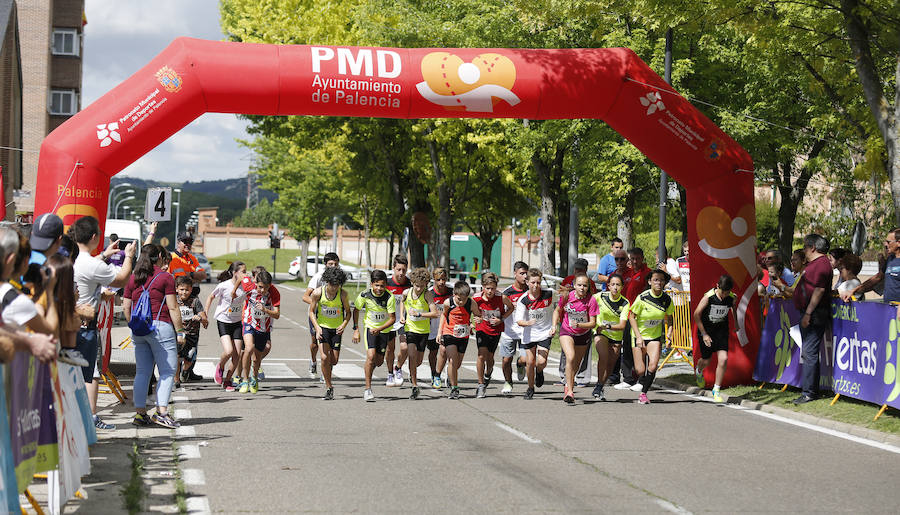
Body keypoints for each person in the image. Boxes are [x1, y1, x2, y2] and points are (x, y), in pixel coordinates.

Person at [71, 216, 136, 430]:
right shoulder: (91, 264)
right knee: (92, 374)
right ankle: (90, 417)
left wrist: (104, 255)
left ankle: (77, 418)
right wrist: (129, 256)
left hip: (67, 326)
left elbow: (89, 266)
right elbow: (121, 279)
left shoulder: (72, 259)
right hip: (86, 326)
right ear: (93, 237)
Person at [122, 244, 184, 428]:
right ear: (158, 257)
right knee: (167, 372)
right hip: (160, 327)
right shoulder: (165, 277)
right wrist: (180, 331)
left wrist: (133, 325)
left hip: (139, 330)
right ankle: (162, 412)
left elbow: (126, 307)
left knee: (142, 372)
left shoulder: (133, 278)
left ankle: (140, 415)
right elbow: (173, 307)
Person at [792, 234, 831, 404]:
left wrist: (808, 313)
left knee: (809, 352)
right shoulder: (814, 264)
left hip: (814, 314)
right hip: (809, 312)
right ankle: (809, 390)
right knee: (808, 352)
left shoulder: (821, 265)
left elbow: (819, 290)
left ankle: (809, 392)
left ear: (813, 247)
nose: (805, 251)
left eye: (805, 248)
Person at [628, 269, 675, 404]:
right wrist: (638, 336)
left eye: (661, 280)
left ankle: (643, 393)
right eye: (655, 280)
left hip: (654, 337)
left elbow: (670, 318)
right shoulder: (642, 297)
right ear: (649, 282)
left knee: (653, 366)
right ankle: (636, 372)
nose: (659, 283)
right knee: (640, 369)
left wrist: (669, 334)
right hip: (639, 335)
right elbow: (631, 317)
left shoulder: (666, 299)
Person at [352, 269, 396, 402]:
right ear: (372, 284)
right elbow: (356, 310)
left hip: (384, 331)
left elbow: (392, 319)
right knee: (370, 357)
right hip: (370, 329)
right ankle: (367, 389)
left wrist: (380, 328)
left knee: (378, 361)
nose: (379, 288)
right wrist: (356, 329)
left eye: (382, 286)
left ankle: (370, 371)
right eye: (377, 285)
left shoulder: (389, 297)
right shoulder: (364, 295)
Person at [168, 232, 207, 381]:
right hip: (177, 298)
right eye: (184, 241)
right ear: (178, 242)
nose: (187, 244)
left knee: (193, 336)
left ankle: (189, 371)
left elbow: (202, 275)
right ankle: (177, 375)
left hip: (192, 299)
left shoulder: (192, 258)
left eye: (189, 242)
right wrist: (192, 275)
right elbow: (173, 279)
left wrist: (187, 275)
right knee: (179, 337)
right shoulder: (173, 258)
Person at [553, 273, 597, 404]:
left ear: (588, 286)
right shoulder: (567, 296)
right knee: (570, 357)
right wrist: (554, 326)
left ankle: (568, 384)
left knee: (576, 366)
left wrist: (580, 325)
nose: (582, 288)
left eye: (585, 285)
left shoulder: (591, 300)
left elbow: (593, 323)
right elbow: (557, 310)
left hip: (583, 334)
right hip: (567, 331)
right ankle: (570, 392)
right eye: (579, 285)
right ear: (574, 285)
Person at [308, 266, 351, 401]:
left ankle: (327, 376)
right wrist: (317, 328)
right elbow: (311, 312)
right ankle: (328, 387)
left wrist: (343, 325)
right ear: (326, 282)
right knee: (325, 358)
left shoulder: (343, 294)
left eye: (337, 285)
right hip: (323, 328)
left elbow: (348, 313)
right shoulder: (317, 293)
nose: (334, 288)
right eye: (332, 284)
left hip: (336, 329)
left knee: (334, 360)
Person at [693, 275, 737, 403]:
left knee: (723, 359)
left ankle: (716, 389)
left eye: (727, 292)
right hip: (706, 331)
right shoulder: (708, 297)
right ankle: (699, 370)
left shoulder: (731, 297)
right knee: (706, 360)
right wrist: (704, 334)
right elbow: (696, 314)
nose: (724, 295)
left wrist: (736, 323)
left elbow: (733, 307)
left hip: (721, 331)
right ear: (717, 286)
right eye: (723, 292)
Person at [205, 261, 247, 392]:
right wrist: (205, 313)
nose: (246, 274)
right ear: (235, 273)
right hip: (223, 320)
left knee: (237, 354)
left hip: (237, 322)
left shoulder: (245, 287)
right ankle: (221, 366)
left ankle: (228, 380)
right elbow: (211, 297)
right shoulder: (224, 286)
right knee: (228, 351)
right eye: (243, 272)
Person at [237, 269, 280, 394]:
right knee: (248, 348)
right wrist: (234, 291)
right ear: (256, 282)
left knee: (256, 359)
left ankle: (254, 378)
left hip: (263, 328)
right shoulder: (249, 285)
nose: (262, 290)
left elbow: (277, 315)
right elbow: (241, 276)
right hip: (248, 323)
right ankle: (245, 380)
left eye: (266, 288)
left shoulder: (274, 292)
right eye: (260, 287)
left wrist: (265, 310)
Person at [397, 267, 437, 400]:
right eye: (416, 285)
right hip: (410, 329)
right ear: (412, 283)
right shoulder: (406, 292)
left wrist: (420, 314)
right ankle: (414, 386)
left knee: (418, 361)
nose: (419, 288)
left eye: (422, 286)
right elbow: (403, 302)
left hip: (423, 331)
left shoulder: (427, 295)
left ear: (426, 284)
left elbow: (435, 313)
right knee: (412, 356)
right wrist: (402, 315)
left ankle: (408, 372)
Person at [437, 281, 481, 399]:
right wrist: (439, 332)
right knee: (452, 360)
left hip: (463, 335)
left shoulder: (471, 303)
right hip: (449, 333)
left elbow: (478, 315)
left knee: (457, 364)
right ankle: (455, 388)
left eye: (464, 299)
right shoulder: (448, 302)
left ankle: (450, 374)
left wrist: (477, 320)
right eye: (458, 299)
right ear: (454, 294)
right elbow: (443, 315)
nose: (461, 302)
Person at [515, 268, 555, 400]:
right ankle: (530, 388)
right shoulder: (523, 300)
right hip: (529, 334)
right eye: (533, 282)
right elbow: (519, 321)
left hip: (545, 332)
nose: (536, 285)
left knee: (541, 362)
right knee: (530, 362)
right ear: (527, 282)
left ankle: (540, 371)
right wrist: (528, 323)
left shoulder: (549, 294)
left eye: (538, 282)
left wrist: (554, 325)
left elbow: (558, 306)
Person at [614, 248, 650, 391]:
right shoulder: (628, 274)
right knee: (627, 347)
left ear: (642, 258)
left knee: (641, 347)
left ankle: (643, 379)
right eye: (632, 258)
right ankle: (628, 378)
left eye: (637, 258)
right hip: (627, 315)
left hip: (641, 317)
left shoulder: (647, 273)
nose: (635, 261)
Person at [557, 258, 597, 386]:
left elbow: (592, 300)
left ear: (585, 270)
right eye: (576, 268)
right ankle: (565, 377)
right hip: (567, 323)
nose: (578, 271)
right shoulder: (568, 280)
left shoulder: (590, 284)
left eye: (581, 269)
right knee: (568, 354)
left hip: (584, 326)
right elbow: (561, 300)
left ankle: (580, 377)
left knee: (580, 356)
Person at [473, 272, 513, 398]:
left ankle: (488, 374)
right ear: (483, 287)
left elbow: (511, 308)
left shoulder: (501, 297)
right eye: (488, 288)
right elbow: (469, 309)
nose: (490, 291)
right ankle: (480, 385)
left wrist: (501, 319)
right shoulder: (476, 298)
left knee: (490, 358)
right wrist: (475, 318)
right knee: (481, 355)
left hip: (495, 330)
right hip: (481, 329)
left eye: (493, 288)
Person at [301, 252, 341, 379]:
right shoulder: (318, 277)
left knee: (328, 344)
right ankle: (313, 361)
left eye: (335, 264)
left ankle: (326, 373)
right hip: (317, 314)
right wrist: (319, 304)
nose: (333, 266)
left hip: (332, 316)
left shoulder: (338, 278)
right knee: (314, 342)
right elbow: (305, 296)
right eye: (330, 264)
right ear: (325, 264)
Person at [592, 274, 630, 401]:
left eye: (618, 285)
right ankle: (598, 385)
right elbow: (587, 304)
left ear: (622, 287)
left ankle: (601, 385)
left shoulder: (625, 303)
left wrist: (607, 326)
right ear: (608, 286)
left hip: (615, 336)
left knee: (610, 365)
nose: (615, 287)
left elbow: (622, 325)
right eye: (612, 284)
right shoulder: (600, 296)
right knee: (603, 356)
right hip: (600, 332)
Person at [841, 228, 899, 302]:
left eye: (888, 242)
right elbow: (877, 278)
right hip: (889, 308)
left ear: (898, 243)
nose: (885, 244)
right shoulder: (890, 259)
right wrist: (853, 291)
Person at [499, 261, 529, 395]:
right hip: (509, 331)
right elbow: (500, 311)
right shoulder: (507, 292)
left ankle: (520, 364)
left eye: (526, 273)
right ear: (515, 274)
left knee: (525, 358)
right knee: (506, 360)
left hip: (525, 332)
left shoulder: (531, 291)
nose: (525, 276)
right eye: (522, 273)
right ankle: (508, 382)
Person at [175, 275, 208, 388]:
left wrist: (200, 318)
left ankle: (185, 371)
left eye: (187, 289)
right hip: (178, 334)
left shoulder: (195, 301)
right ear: (176, 289)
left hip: (192, 335)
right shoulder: (174, 301)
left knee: (189, 358)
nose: (184, 292)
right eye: (181, 289)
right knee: (177, 357)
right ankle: (176, 380)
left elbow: (205, 320)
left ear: (191, 289)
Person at [384, 255, 411, 387]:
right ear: (393, 268)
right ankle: (390, 374)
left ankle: (398, 368)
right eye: (399, 269)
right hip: (389, 320)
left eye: (404, 270)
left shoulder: (410, 284)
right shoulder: (387, 283)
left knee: (404, 347)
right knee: (390, 349)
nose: (401, 273)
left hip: (403, 321)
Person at [427, 267, 452, 388]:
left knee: (445, 351)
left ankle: (445, 375)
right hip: (432, 329)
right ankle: (433, 373)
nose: (441, 282)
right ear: (434, 280)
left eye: (443, 279)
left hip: (447, 328)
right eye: (438, 280)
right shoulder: (429, 293)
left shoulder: (452, 292)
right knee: (433, 353)